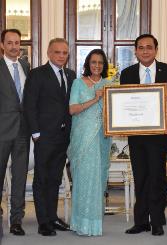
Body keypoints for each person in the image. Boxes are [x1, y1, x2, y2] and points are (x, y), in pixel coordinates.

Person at [120, 34, 167, 236]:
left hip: (159, 134)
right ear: (135, 51)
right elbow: (122, 103)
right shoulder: (127, 73)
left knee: (157, 177)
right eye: (141, 47)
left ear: (156, 49)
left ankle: (157, 221)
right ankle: (141, 221)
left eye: (149, 47)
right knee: (141, 177)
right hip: (136, 135)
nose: (145, 51)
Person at [24, 38, 76, 236]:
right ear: (49, 53)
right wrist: (36, 134)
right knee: (42, 179)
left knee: (55, 179)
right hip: (44, 136)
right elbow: (29, 104)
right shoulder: (37, 74)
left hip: (64, 136)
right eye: (57, 52)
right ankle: (43, 221)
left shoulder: (71, 75)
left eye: (64, 53)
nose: (61, 56)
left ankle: (53, 217)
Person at [67, 49, 111, 236]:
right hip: (83, 138)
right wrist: (96, 98)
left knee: (98, 180)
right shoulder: (78, 83)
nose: (97, 66)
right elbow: (72, 109)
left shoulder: (109, 84)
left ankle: (93, 224)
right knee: (84, 180)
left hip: (102, 138)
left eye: (101, 63)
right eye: (94, 62)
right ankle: (80, 223)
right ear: (87, 64)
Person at [0, 29, 30, 236]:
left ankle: (16, 220)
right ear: (2, 45)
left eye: (17, 42)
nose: (13, 46)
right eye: (9, 43)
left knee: (20, 177)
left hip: (23, 131)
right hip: (1, 130)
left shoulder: (25, 66)